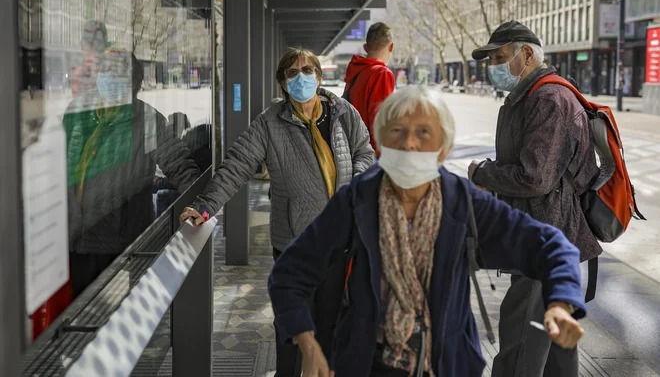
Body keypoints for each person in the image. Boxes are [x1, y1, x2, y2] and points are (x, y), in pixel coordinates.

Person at [268, 85, 587, 377]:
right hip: (367, 362)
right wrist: (307, 343)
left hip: (447, 363)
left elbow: (551, 246)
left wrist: (560, 302)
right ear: (380, 141)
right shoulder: (358, 199)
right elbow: (289, 273)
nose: (409, 142)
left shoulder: (463, 201)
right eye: (397, 131)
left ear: (444, 148)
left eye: (423, 132)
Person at [180, 48, 374, 377]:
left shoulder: (344, 112)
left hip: (340, 239)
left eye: (308, 70)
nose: (302, 77)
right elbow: (237, 165)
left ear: (320, 76)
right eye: (293, 73)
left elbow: (364, 152)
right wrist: (205, 205)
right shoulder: (270, 123)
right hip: (294, 243)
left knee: (330, 322)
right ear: (284, 84)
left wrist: (356, 184)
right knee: (291, 325)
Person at [468, 20, 601, 377]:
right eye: (490, 59)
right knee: (555, 347)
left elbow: (535, 177)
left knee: (520, 347)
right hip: (542, 235)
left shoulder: (549, 99)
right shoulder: (529, 96)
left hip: (544, 240)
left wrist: (481, 173)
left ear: (527, 54)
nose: (493, 66)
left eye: (500, 56)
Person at [64, 48, 201, 297]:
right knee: (76, 317)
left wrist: (203, 205)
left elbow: (180, 165)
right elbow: (60, 167)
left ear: (134, 82)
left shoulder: (147, 119)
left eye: (118, 73)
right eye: (105, 71)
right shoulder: (78, 113)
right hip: (76, 239)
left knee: (114, 315)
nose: (109, 78)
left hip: (120, 244)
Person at [343, 22, 396, 155]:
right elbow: (379, 118)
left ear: (366, 47)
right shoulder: (382, 73)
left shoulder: (356, 71)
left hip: (351, 146)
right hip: (370, 151)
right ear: (391, 47)